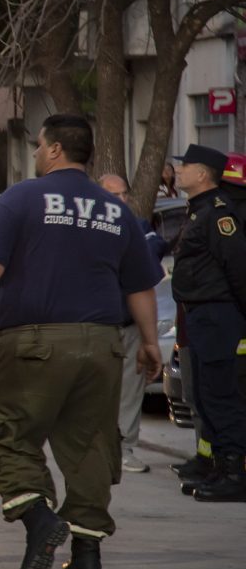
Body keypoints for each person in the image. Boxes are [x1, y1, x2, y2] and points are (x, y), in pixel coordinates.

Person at [0, 114, 163, 569]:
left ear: (52, 150)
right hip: (102, 345)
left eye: (36, 146)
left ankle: (38, 518)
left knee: (5, 432)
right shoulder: (117, 212)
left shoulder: (22, 198)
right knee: (92, 444)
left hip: (32, 341)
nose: (34, 154)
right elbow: (141, 286)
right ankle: (87, 557)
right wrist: (150, 344)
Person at [169, 144, 246, 502]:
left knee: (220, 395)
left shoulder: (219, 215)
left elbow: (238, 268)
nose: (178, 171)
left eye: (185, 166)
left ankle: (235, 472)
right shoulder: (198, 210)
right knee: (203, 393)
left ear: (203, 175)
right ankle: (217, 466)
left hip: (217, 313)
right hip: (200, 314)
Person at [98, 174, 170, 474]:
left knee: (129, 391)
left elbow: (153, 255)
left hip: (127, 325)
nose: (120, 200)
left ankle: (124, 448)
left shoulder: (137, 227)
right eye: (112, 194)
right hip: (95, 326)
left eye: (123, 194)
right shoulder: (88, 230)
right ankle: (95, 450)